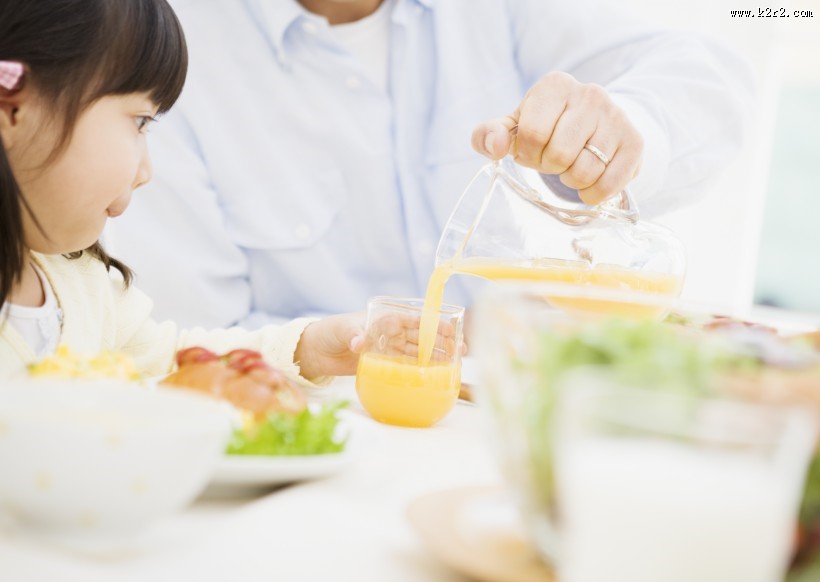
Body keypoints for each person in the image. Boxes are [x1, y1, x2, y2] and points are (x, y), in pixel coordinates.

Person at [110, 0, 754, 329]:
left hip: (520, 412)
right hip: (330, 444)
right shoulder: (158, 48)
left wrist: (625, 127)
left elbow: (710, 78)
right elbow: (198, 333)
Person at [0, 0, 451, 383]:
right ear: (12, 113)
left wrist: (308, 351)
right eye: (138, 122)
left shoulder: (87, 287)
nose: (146, 171)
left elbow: (175, 364)